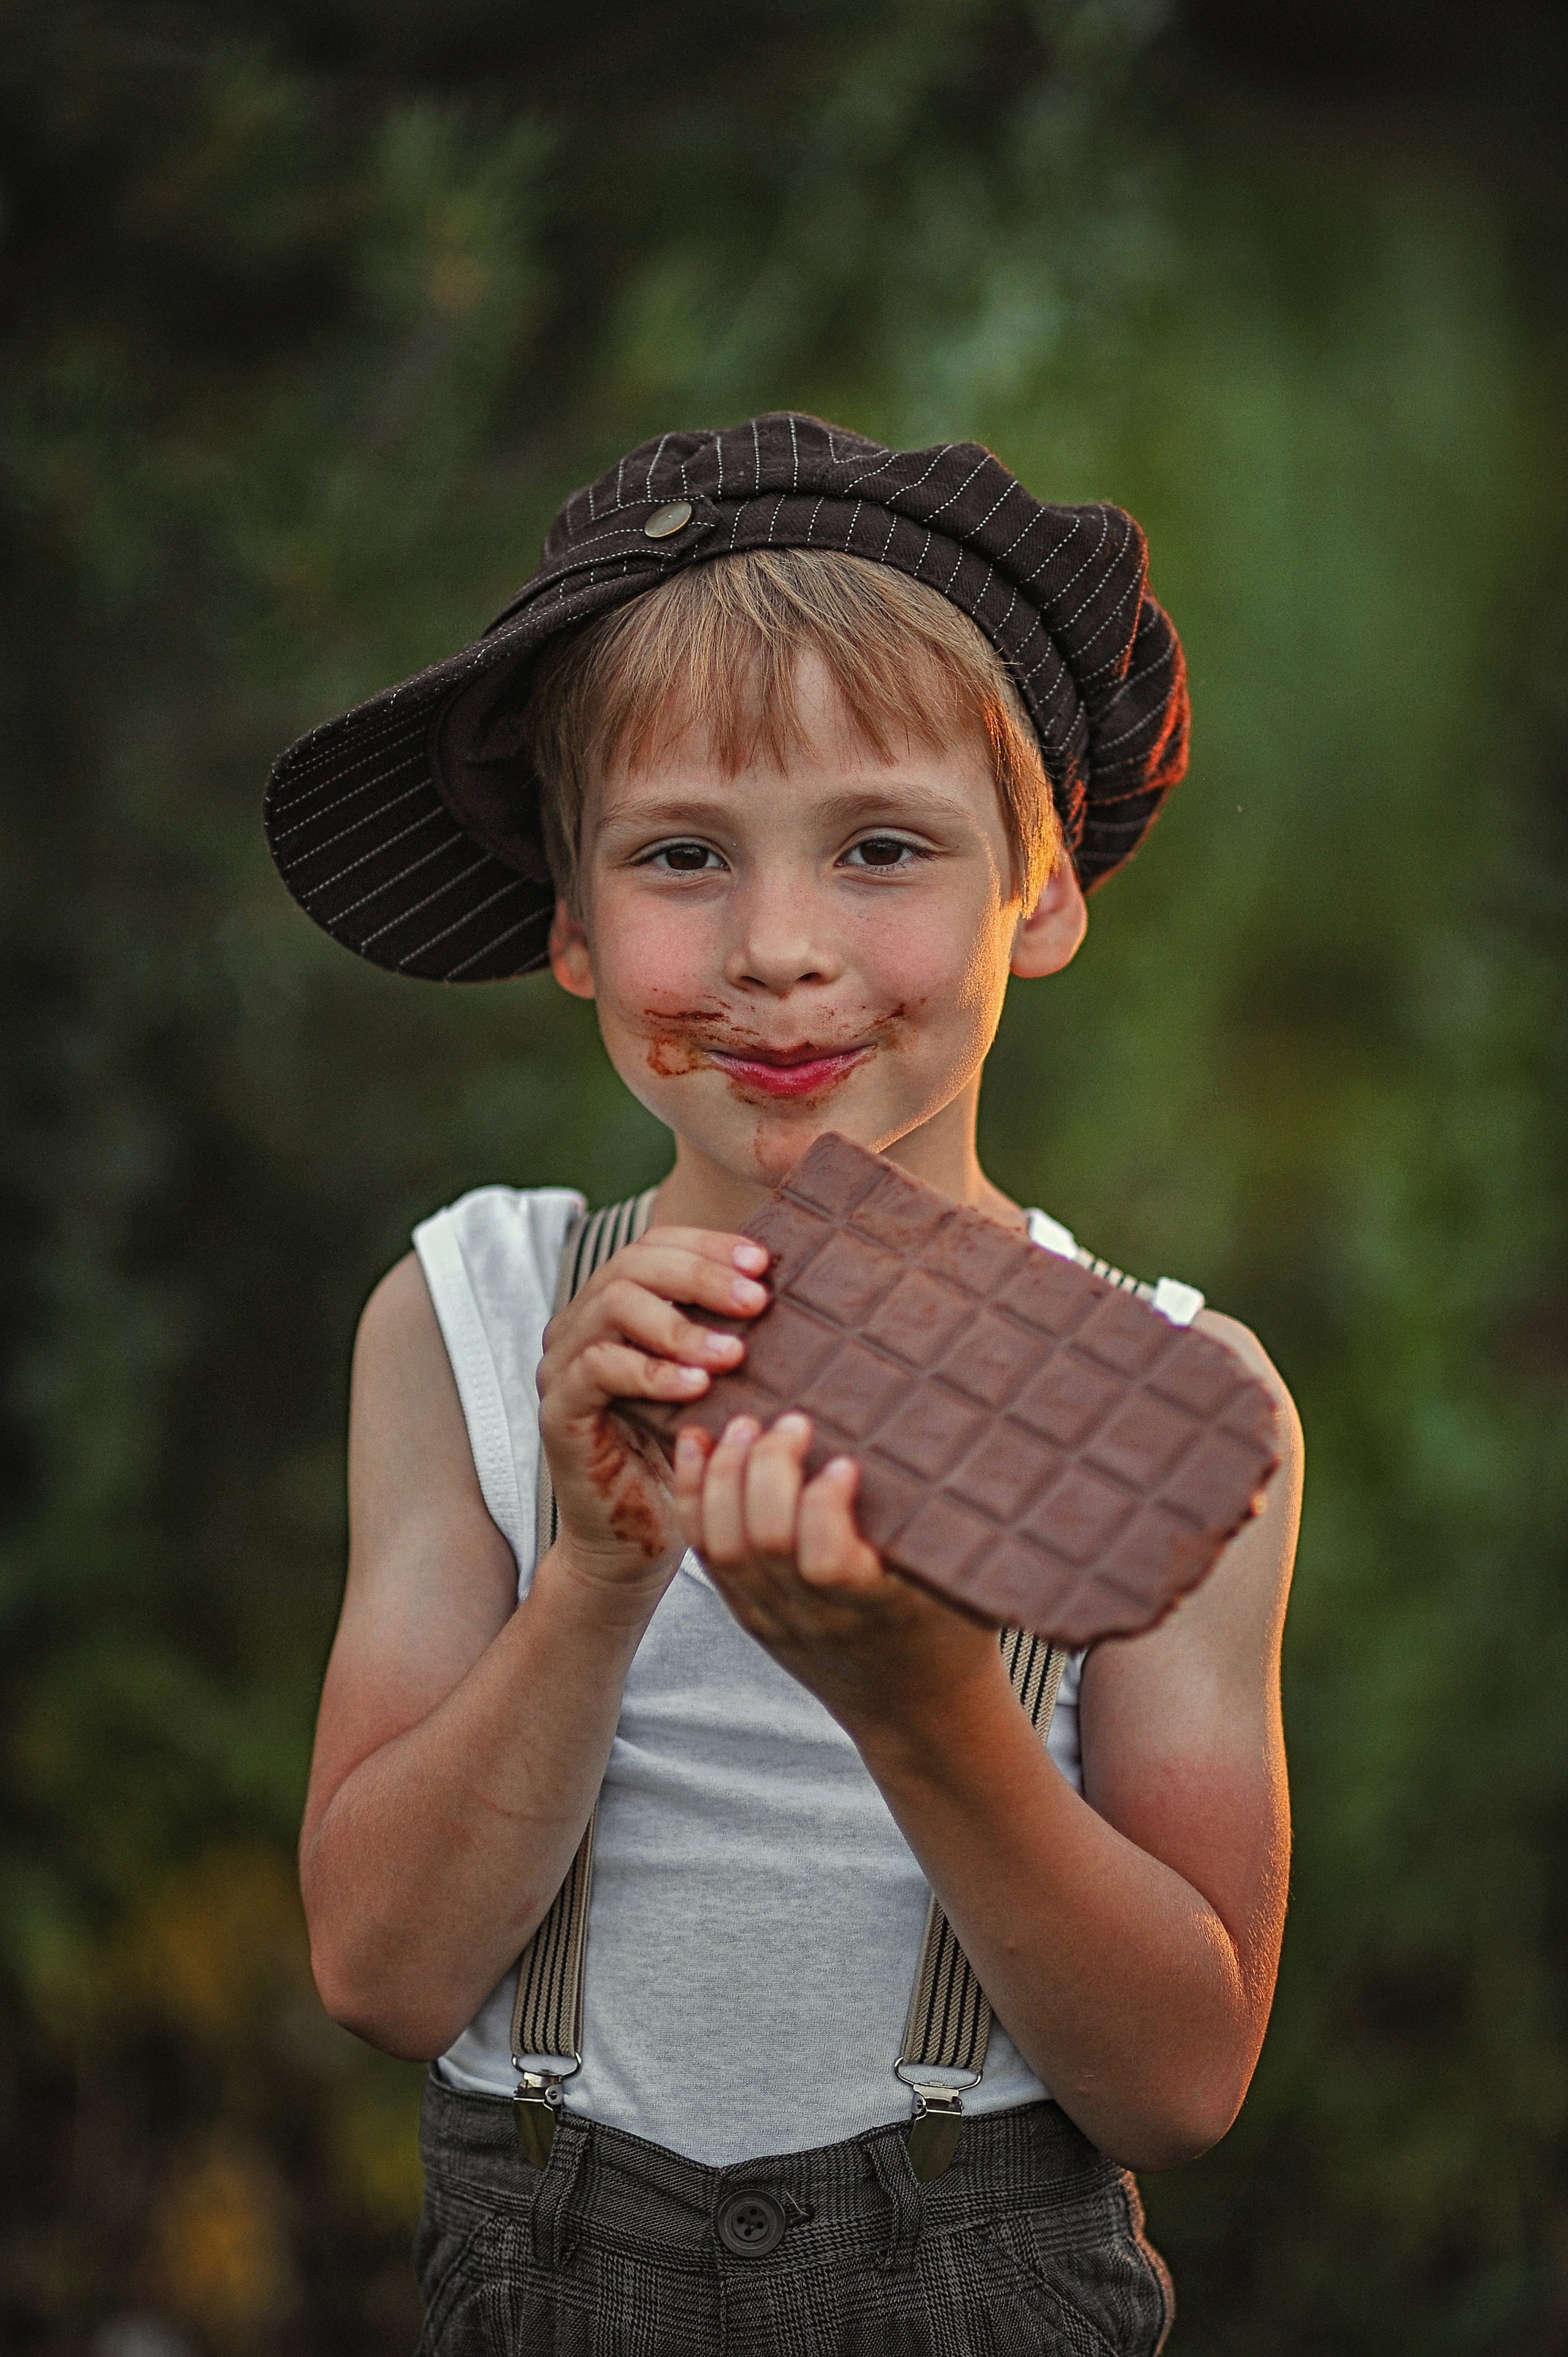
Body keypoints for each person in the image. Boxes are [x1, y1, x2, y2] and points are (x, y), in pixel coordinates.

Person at [268, 414, 1303, 2355]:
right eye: (680, 858)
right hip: (546, 2272)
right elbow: (381, 1973)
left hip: (975, 2280)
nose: (781, 950)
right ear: (571, 924)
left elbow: (1181, 2084)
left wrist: (921, 1697)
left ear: (1047, 890)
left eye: (885, 847)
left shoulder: (1171, 1398)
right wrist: (589, 1576)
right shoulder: (468, 1319)